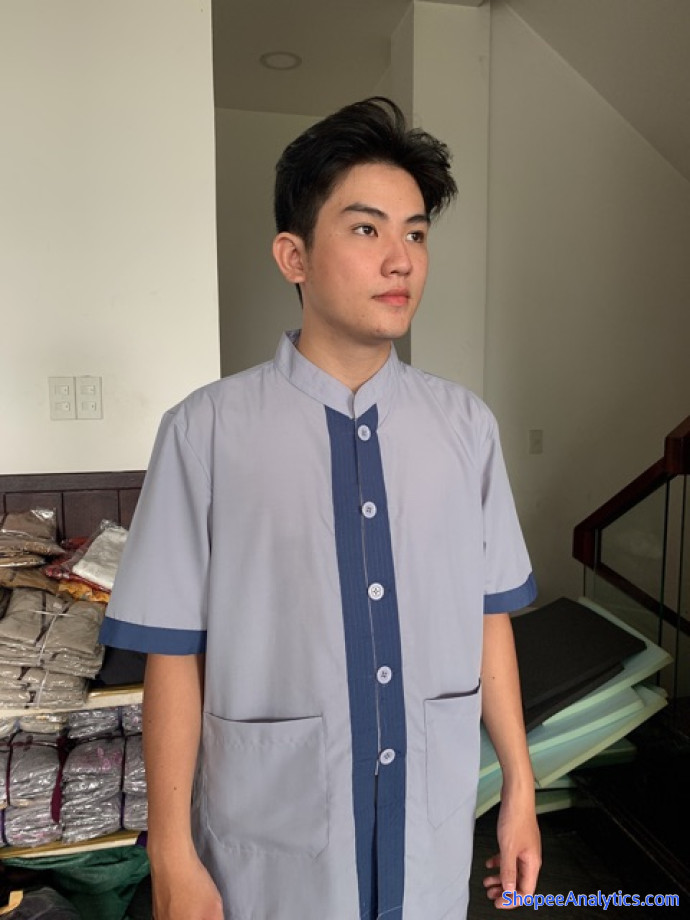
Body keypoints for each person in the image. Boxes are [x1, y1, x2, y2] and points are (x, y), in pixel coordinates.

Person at [100, 97, 541, 920]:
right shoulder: (207, 432)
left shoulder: (466, 430)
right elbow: (172, 657)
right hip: (270, 851)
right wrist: (171, 853)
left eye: (416, 234)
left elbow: (489, 619)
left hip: (429, 834)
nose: (401, 260)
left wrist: (520, 785)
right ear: (293, 256)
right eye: (367, 229)